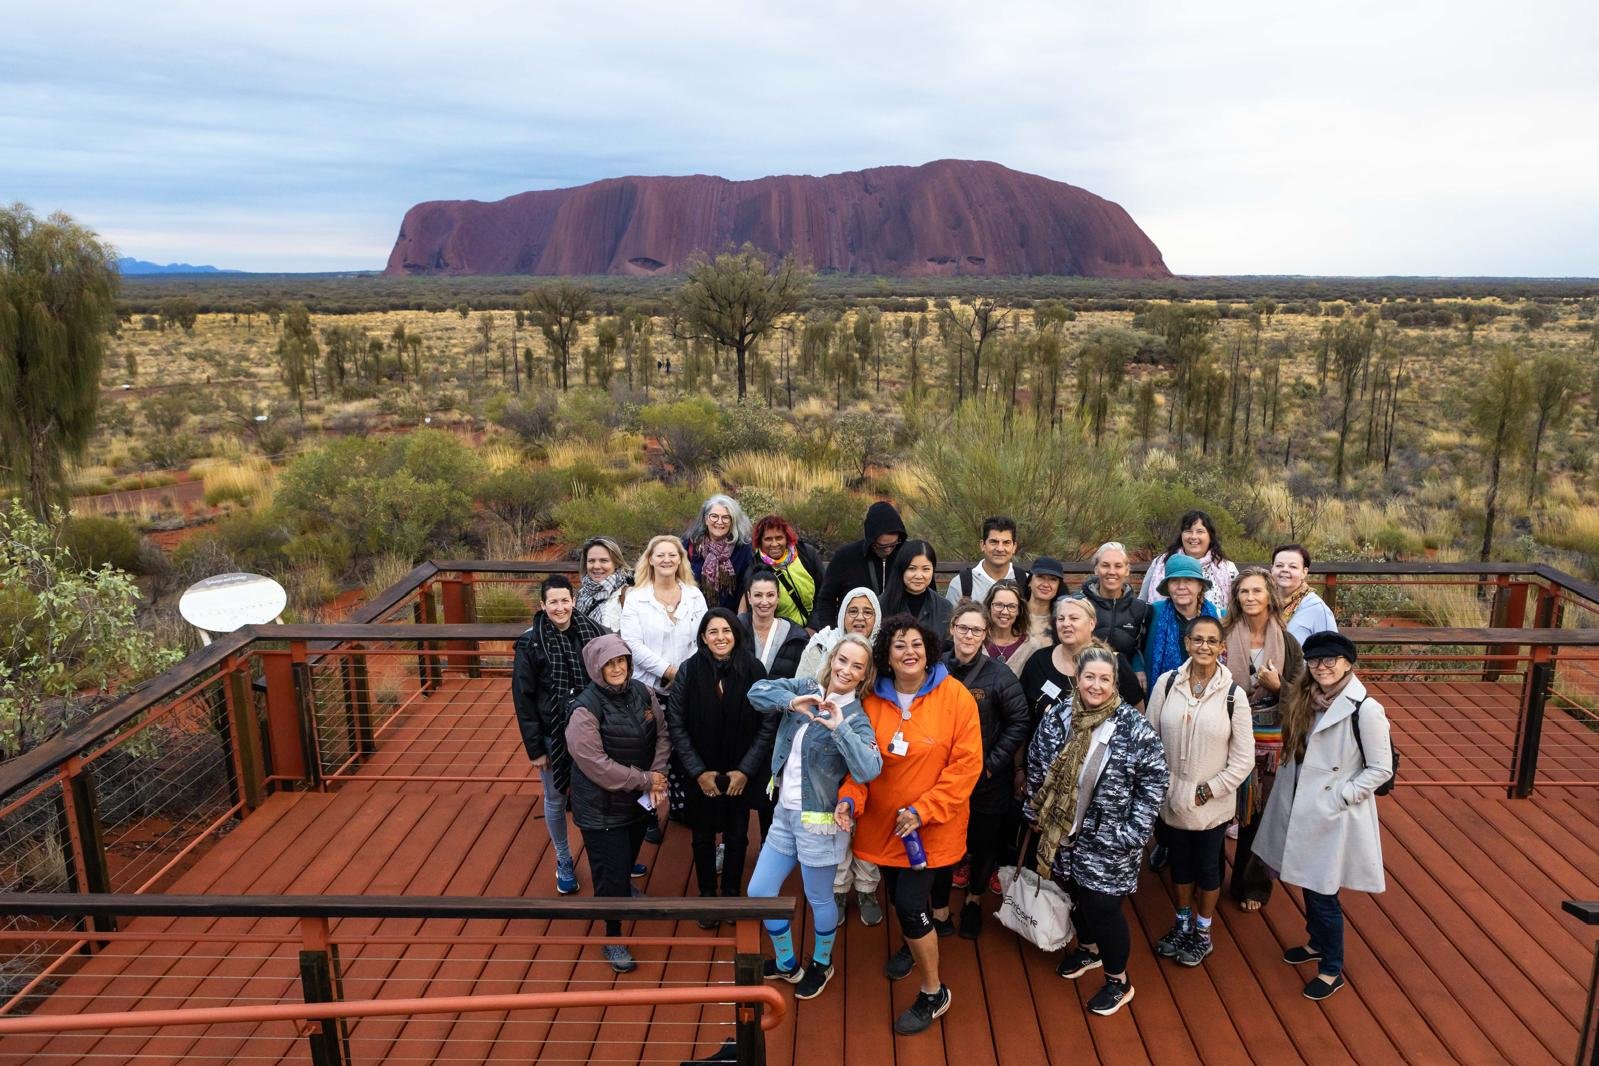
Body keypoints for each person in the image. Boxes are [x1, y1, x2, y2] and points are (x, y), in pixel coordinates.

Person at [837, 614, 982, 1035]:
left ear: (930, 649)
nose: (909, 652)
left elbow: (966, 768)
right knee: (898, 894)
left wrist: (923, 810)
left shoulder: (955, 698)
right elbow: (861, 766)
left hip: (930, 828)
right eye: (899, 644)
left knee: (911, 904)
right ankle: (911, 943)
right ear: (886, 654)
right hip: (883, 827)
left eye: (916, 643)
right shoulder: (871, 700)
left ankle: (934, 992)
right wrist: (849, 798)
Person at [1025, 645, 1168, 1017]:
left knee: (1104, 907)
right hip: (1063, 833)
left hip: (1111, 838)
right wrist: (1036, 811)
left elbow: (1155, 780)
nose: (1096, 685)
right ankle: (1088, 950)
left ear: (1115, 682)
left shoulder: (1133, 728)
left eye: (1105, 679)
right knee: (1076, 894)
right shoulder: (1058, 717)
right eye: (1090, 677)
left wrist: (1134, 832)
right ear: (1077, 679)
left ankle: (1118, 981)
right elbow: (1038, 761)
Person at [1251, 632, 1391, 1002]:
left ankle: (1332, 968)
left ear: (1348, 662)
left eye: (1331, 659)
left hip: (1332, 813)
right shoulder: (1305, 698)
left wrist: (1343, 795)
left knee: (1323, 891)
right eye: (1315, 661)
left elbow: (1380, 769)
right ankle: (1315, 943)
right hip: (1301, 802)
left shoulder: (1365, 709)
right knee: (1307, 883)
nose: (1322, 667)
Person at [746, 634, 883, 1000]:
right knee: (759, 892)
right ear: (832, 658)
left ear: (864, 675)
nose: (846, 670)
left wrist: (839, 729)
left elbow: (870, 768)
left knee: (818, 897)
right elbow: (756, 692)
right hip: (784, 814)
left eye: (857, 666)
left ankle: (822, 964)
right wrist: (790, 701)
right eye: (843, 660)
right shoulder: (808, 686)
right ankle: (788, 963)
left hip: (819, 822)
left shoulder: (856, 718)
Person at [1145, 616, 1253, 967]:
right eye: (1197, 640)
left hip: (1211, 801)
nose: (1204, 646)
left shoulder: (1235, 696)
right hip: (1173, 797)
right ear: (1187, 643)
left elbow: (1243, 756)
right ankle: (1181, 923)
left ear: (1222, 648)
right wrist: (1162, 784)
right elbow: (1149, 737)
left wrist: (1211, 790)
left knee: (1208, 867)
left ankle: (1202, 932)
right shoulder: (1166, 683)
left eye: (1212, 641)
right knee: (1180, 865)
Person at [565, 634, 670, 973]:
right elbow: (595, 764)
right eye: (609, 663)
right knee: (608, 874)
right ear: (596, 666)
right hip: (601, 808)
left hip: (637, 802)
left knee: (628, 855)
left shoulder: (642, 692)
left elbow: (663, 734)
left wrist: (657, 772)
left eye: (621, 661)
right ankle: (611, 936)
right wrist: (645, 780)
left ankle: (624, 884)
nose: (617, 668)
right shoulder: (584, 709)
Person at [667, 610, 776, 920]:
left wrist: (746, 770)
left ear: (736, 634)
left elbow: (767, 722)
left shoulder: (754, 669)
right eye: (712, 631)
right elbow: (676, 724)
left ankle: (730, 893)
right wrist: (699, 772)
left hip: (739, 769)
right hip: (701, 770)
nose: (720, 637)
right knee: (701, 835)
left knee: (738, 834)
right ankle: (706, 895)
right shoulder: (689, 671)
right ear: (703, 637)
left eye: (726, 630)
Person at [936, 601, 1030, 939]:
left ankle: (974, 900)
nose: (969, 635)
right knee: (945, 840)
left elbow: (1019, 722)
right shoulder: (936, 669)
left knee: (984, 840)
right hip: (944, 777)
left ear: (986, 634)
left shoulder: (999, 675)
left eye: (977, 629)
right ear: (952, 629)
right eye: (963, 627)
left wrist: (990, 767)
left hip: (987, 779)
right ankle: (940, 904)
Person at [796, 586, 886, 925]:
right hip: (826, 741)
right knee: (835, 816)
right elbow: (801, 685)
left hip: (866, 735)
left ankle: (865, 886)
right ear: (841, 613)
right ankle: (836, 886)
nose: (860, 617)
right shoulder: (822, 642)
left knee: (866, 820)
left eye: (867, 611)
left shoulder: (883, 649)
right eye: (853, 610)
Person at [511, 575, 605, 896]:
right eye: (553, 602)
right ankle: (564, 858)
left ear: (574, 601)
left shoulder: (593, 632)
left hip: (592, 730)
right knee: (555, 798)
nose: (560, 607)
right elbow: (523, 698)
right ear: (542, 605)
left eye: (565, 600)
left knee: (599, 793)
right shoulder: (531, 642)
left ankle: (609, 856)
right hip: (552, 733)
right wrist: (535, 748)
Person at [1223, 567, 1304, 911]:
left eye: (1257, 591)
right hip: (1228, 728)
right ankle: (1208, 877)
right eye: (1244, 592)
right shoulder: (1223, 634)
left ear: (1270, 595)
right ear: (1236, 598)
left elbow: (1303, 695)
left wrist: (1277, 687)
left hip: (1271, 738)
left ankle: (1252, 883)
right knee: (1222, 807)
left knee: (1261, 813)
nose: (1251, 598)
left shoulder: (1287, 641)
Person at [1019, 596, 1145, 723]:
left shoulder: (1114, 663)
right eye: (1061, 619)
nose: (1066, 624)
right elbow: (1022, 712)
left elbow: (1137, 716)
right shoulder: (1039, 661)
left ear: (1092, 623)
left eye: (1074, 618)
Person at [619, 535, 709, 692]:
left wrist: (685, 673)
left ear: (680, 559)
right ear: (650, 560)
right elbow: (632, 644)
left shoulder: (695, 595)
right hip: (646, 689)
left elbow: (705, 637)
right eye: (660, 555)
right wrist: (669, 672)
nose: (666, 560)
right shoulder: (635, 598)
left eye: (672, 555)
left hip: (691, 684)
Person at [810, 501, 907, 630]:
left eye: (893, 544)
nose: (888, 550)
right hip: (854, 634)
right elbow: (826, 599)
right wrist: (831, 634)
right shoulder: (845, 556)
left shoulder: (906, 553)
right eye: (882, 546)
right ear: (871, 540)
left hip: (898, 634)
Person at [1140, 510, 1239, 617]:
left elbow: (1238, 605)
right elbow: (1143, 601)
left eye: (1200, 531)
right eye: (1188, 531)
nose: (1193, 536)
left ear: (1210, 536)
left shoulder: (1227, 568)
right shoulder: (1161, 563)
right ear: (1181, 535)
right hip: (1164, 629)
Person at [1143, 554, 1220, 686]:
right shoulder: (1153, 613)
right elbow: (1133, 644)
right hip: (1164, 691)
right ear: (1167, 586)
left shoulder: (1218, 616)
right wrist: (1138, 668)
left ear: (1200, 586)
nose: (1181, 586)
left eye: (1189, 580)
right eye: (1174, 581)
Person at [741, 515, 823, 628]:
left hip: (815, 630)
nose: (774, 544)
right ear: (760, 542)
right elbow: (756, 609)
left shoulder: (806, 554)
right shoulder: (755, 569)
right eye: (768, 539)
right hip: (782, 634)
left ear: (787, 538)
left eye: (779, 538)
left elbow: (823, 593)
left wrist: (813, 627)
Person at [1080, 541, 1152, 669]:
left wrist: (1138, 667)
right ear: (1096, 569)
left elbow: (1142, 648)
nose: (1111, 571)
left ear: (1127, 570)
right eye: (1105, 565)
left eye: (1118, 566)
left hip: (1125, 677)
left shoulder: (1141, 610)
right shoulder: (1081, 605)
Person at [683, 494, 754, 612]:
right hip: (695, 617)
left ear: (733, 521)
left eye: (726, 517)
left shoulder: (743, 548)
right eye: (714, 516)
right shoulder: (690, 545)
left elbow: (747, 588)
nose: (719, 522)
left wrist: (740, 619)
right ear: (706, 519)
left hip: (731, 619)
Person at [946, 515, 1030, 606]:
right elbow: (950, 619)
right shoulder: (960, 584)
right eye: (994, 542)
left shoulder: (1026, 581)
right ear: (983, 545)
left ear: (1014, 547)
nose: (1000, 548)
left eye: (1006, 543)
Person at [740, 571, 808, 679]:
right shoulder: (735, 629)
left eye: (770, 595)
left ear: (778, 596)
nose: (764, 601)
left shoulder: (796, 636)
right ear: (749, 597)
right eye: (758, 595)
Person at [881, 539, 952, 635]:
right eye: (912, 569)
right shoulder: (881, 604)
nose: (919, 576)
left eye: (926, 569)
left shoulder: (944, 607)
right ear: (902, 569)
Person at [1271, 543, 1339, 644]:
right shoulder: (1263, 602)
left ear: (1304, 572)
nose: (1285, 569)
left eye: (1293, 567)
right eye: (1279, 565)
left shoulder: (1316, 608)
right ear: (1272, 569)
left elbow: (1331, 649)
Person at [982, 579, 1045, 675]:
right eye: (998, 605)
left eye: (1012, 606)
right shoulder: (976, 639)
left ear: (1019, 610)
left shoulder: (1031, 647)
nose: (1004, 612)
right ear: (989, 607)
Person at [574, 536, 631, 632]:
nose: (596, 566)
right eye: (591, 561)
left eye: (604, 560)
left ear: (616, 563)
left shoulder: (628, 594)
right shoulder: (581, 594)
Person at [1023, 557, 1066, 641]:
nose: (1046, 584)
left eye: (1053, 579)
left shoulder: (1063, 620)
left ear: (1058, 586)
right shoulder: (1013, 613)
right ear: (1030, 582)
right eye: (1040, 577)